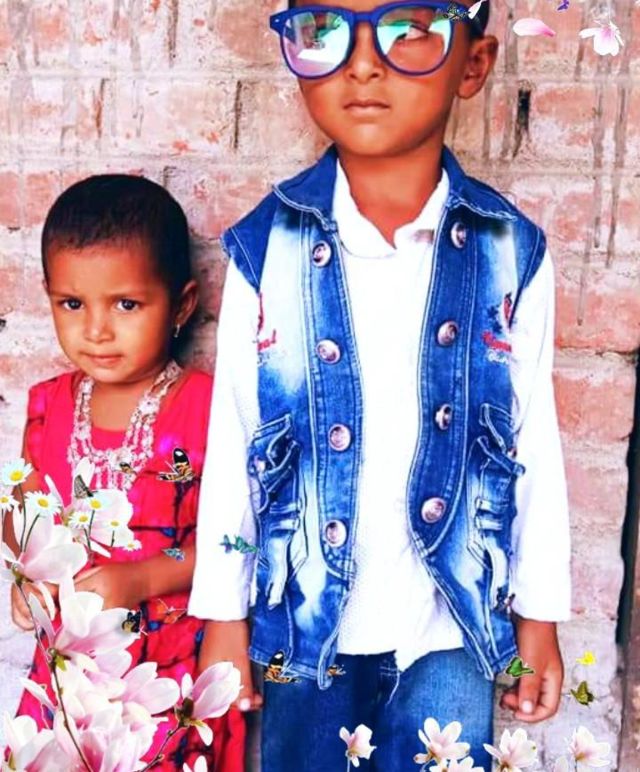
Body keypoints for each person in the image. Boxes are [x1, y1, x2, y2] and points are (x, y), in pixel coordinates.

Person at [189, 1, 571, 769]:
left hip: (450, 627)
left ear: (473, 64)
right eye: (325, 31)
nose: (362, 63)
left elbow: (533, 440)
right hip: (305, 625)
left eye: (408, 31)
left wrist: (539, 614)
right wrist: (223, 613)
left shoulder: (510, 252)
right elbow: (236, 441)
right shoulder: (266, 248)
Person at [9, 175, 245, 771]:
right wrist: (27, 579)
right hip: (71, 671)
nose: (96, 330)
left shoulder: (205, 409)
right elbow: (24, 518)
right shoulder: (48, 407)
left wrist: (141, 577)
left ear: (182, 305)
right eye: (72, 304)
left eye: (126, 305)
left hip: (170, 666)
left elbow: (236, 542)